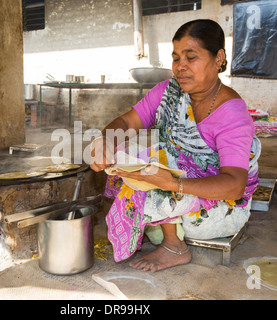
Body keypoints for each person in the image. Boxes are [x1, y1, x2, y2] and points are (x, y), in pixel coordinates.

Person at [90, 19, 261, 272]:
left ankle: (174, 245)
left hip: (221, 207)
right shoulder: (168, 93)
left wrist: (171, 183)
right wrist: (103, 141)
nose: (180, 67)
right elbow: (127, 122)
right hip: (179, 190)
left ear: (219, 58)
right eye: (176, 58)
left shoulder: (232, 113)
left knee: (159, 166)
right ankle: (161, 228)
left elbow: (235, 185)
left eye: (191, 57)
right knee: (136, 157)